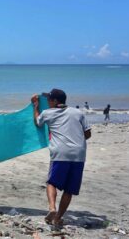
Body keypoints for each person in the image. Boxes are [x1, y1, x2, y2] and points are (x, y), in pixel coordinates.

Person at [31, 89, 91, 230]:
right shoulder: (78, 113)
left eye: (49, 100)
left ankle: (52, 208)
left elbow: (37, 122)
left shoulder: (47, 113)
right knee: (69, 189)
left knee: (51, 182)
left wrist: (36, 107)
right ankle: (57, 218)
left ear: (55, 101)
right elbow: (87, 134)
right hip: (79, 154)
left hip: (61, 153)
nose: (48, 103)